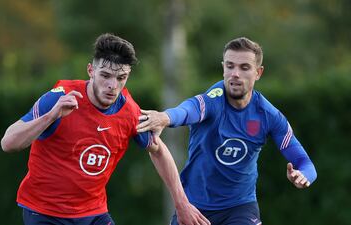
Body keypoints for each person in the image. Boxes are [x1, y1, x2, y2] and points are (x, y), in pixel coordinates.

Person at [1, 33, 210, 225]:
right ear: (90, 71)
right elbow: (8, 143)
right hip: (44, 212)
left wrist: (182, 204)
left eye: (121, 78)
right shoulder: (59, 98)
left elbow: (159, 151)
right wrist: (51, 116)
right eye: (106, 75)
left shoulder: (129, 112)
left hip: (93, 214)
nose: (113, 86)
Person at [136, 37, 317, 225]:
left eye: (244, 67)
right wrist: (164, 117)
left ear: (258, 72)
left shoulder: (269, 115)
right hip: (194, 207)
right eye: (230, 66)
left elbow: (304, 163)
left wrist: (304, 175)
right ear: (223, 68)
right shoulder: (212, 100)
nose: (235, 74)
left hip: (240, 207)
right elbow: (186, 111)